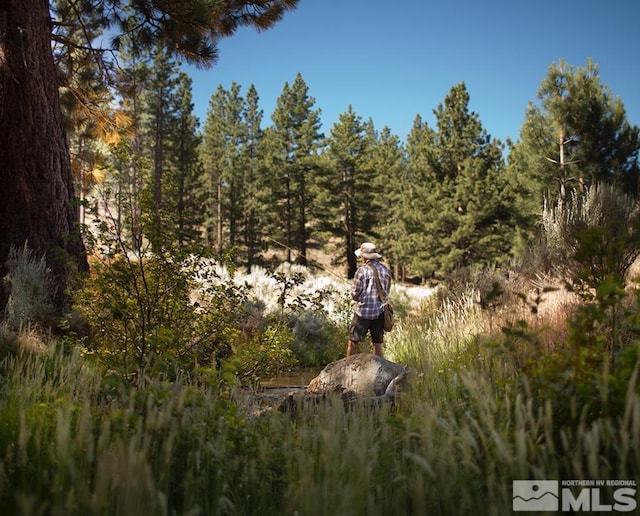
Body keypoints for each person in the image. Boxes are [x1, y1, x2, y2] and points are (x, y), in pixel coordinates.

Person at [347, 242, 392, 357]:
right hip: (380, 312)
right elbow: (386, 293)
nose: (360, 257)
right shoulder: (386, 271)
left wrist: (357, 296)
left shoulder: (362, 271)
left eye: (361, 255)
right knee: (377, 344)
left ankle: (348, 367)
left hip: (363, 312)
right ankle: (379, 370)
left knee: (353, 342)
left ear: (365, 256)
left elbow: (354, 294)